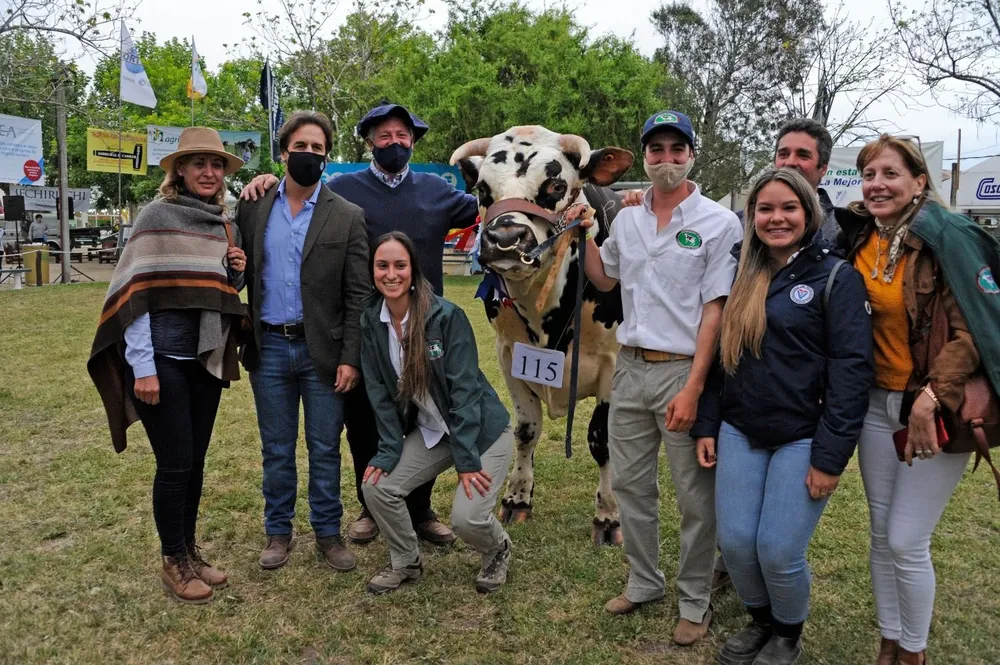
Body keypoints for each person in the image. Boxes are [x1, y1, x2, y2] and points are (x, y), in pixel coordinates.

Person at [242, 101, 477, 545]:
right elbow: (297, 191)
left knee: (424, 417)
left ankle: (421, 509)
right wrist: (268, 179)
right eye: (384, 136)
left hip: (425, 327)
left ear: (413, 141)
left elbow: (488, 204)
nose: (394, 143)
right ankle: (369, 507)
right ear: (370, 141)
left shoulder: (436, 189)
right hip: (367, 326)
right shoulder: (344, 189)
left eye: (402, 136)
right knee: (366, 419)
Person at [693, 168, 874, 665]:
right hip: (740, 429)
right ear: (751, 217)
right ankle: (761, 621)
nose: (776, 218)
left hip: (802, 437)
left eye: (788, 208)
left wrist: (831, 458)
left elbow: (851, 374)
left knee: (776, 550)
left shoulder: (837, 277)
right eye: (765, 209)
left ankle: (787, 634)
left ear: (809, 213)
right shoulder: (741, 273)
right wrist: (708, 425)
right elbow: (720, 363)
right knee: (734, 543)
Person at [578, 110, 743, 646]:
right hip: (629, 367)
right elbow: (605, 276)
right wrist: (583, 232)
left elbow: (715, 311)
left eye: (677, 149)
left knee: (695, 498)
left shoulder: (719, 222)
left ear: (693, 154)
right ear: (644, 156)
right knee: (629, 485)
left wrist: (695, 387)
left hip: (681, 373)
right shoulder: (626, 218)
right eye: (656, 150)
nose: (666, 159)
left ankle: (694, 600)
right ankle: (644, 581)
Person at [836, 135, 1000, 665]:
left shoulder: (946, 236)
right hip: (871, 404)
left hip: (930, 407)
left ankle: (913, 651)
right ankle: (889, 640)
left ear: (919, 181)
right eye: (868, 175)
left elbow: (974, 330)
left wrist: (932, 396)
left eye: (890, 173)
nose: (877, 184)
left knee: (907, 538)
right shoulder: (863, 234)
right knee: (882, 532)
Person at [87, 127, 248, 604]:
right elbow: (137, 294)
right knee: (175, 465)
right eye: (197, 163)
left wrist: (235, 271)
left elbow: (215, 292)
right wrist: (144, 368)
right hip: (162, 361)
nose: (208, 171)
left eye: (216, 164)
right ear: (179, 169)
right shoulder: (156, 217)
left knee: (195, 463)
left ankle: (189, 551)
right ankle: (172, 560)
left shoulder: (223, 222)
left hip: (205, 360)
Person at [234, 111, 370, 573]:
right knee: (276, 446)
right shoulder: (253, 206)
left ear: (326, 156)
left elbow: (358, 294)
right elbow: (236, 271)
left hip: (325, 355)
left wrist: (351, 356)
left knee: (325, 445)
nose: (308, 154)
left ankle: (328, 533)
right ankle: (278, 531)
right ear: (284, 151)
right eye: (301, 146)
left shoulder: (348, 216)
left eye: (317, 148)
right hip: (269, 346)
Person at [360, 231, 514, 594]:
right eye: (382, 266)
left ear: (413, 270)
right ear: (372, 271)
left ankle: (498, 549)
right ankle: (406, 562)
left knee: (466, 520)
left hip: (480, 432)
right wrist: (387, 451)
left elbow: (464, 394)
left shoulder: (446, 316)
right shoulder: (371, 319)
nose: (391, 274)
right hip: (436, 431)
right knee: (377, 487)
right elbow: (379, 394)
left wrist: (466, 459)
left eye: (400, 265)